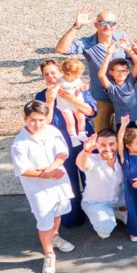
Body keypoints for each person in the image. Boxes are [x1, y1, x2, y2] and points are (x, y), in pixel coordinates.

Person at [11, 101, 76, 273]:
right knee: (44, 221)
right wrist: (49, 174)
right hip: (39, 190)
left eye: (41, 119)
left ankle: (55, 236)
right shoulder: (19, 144)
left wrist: (54, 167)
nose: (37, 124)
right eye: (33, 120)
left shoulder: (53, 131)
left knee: (58, 212)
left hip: (59, 183)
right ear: (25, 118)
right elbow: (23, 170)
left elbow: (63, 152)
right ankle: (49, 254)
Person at [35, 58, 96, 228]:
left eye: (53, 72)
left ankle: (95, 212)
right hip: (60, 145)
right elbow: (42, 124)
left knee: (90, 178)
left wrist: (74, 100)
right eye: (46, 74)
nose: (50, 76)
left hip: (84, 141)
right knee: (68, 182)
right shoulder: (41, 96)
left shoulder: (75, 86)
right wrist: (50, 101)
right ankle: (73, 217)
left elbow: (91, 111)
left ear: (62, 73)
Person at [55, 6, 131, 131]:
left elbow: (132, 58)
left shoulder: (121, 37)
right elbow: (61, 49)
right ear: (96, 25)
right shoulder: (87, 43)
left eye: (112, 23)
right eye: (103, 23)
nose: (108, 26)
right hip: (102, 98)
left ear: (116, 25)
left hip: (123, 96)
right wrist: (76, 26)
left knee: (127, 134)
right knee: (103, 134)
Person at [75, 131, 127, 239]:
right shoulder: (92, 159)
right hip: (95, 203)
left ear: (117, 143)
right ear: (97, 146)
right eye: (103, 145)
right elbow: (81, 163)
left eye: (111, 144)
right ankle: (110, 215)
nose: (107, 148)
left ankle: (120, 212)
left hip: (118, 197)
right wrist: (86, 150)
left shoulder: (121, 158)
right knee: (105, 231)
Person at [96, 40, 137, 135]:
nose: (121, 73)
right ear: (111, 72)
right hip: (122, 122)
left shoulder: (130, 80)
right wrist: (109, 54)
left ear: (128, 72)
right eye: (118, 71)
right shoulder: (112, 87)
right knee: (124, 144)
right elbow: (101, 75)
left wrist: (127, 48)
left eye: (124, 71)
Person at [54, 58, 90, 146]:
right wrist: (54, 89)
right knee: (70, 122)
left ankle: (81, 133)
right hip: (65, 105)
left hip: (76, 103)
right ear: (69, 73)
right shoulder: (61, 81)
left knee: (81, 118)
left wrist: (84, 88)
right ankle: (73, 137)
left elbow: (80, 87)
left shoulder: (77, 80)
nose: (79, 76)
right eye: (77, 74)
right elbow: (55, 89)